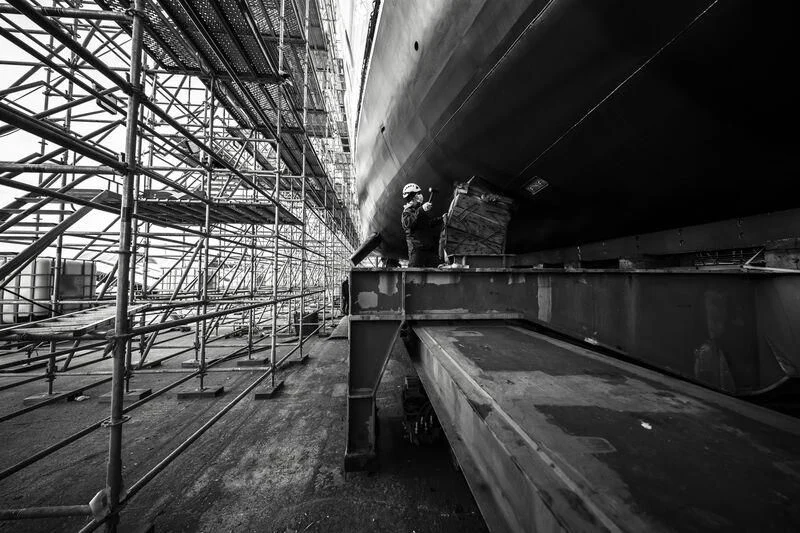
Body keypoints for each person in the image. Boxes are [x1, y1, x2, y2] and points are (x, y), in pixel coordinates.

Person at [401, 183, 445, 267]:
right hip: (417, 251)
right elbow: (408, 224)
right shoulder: (406, 212)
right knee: (413, 276)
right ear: (412, 196)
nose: (420, 195)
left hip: (428, 250)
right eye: (418, 193)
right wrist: (421, 210)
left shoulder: (418, 211)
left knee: (439, 268)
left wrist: (441, 219)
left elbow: (428, 224)